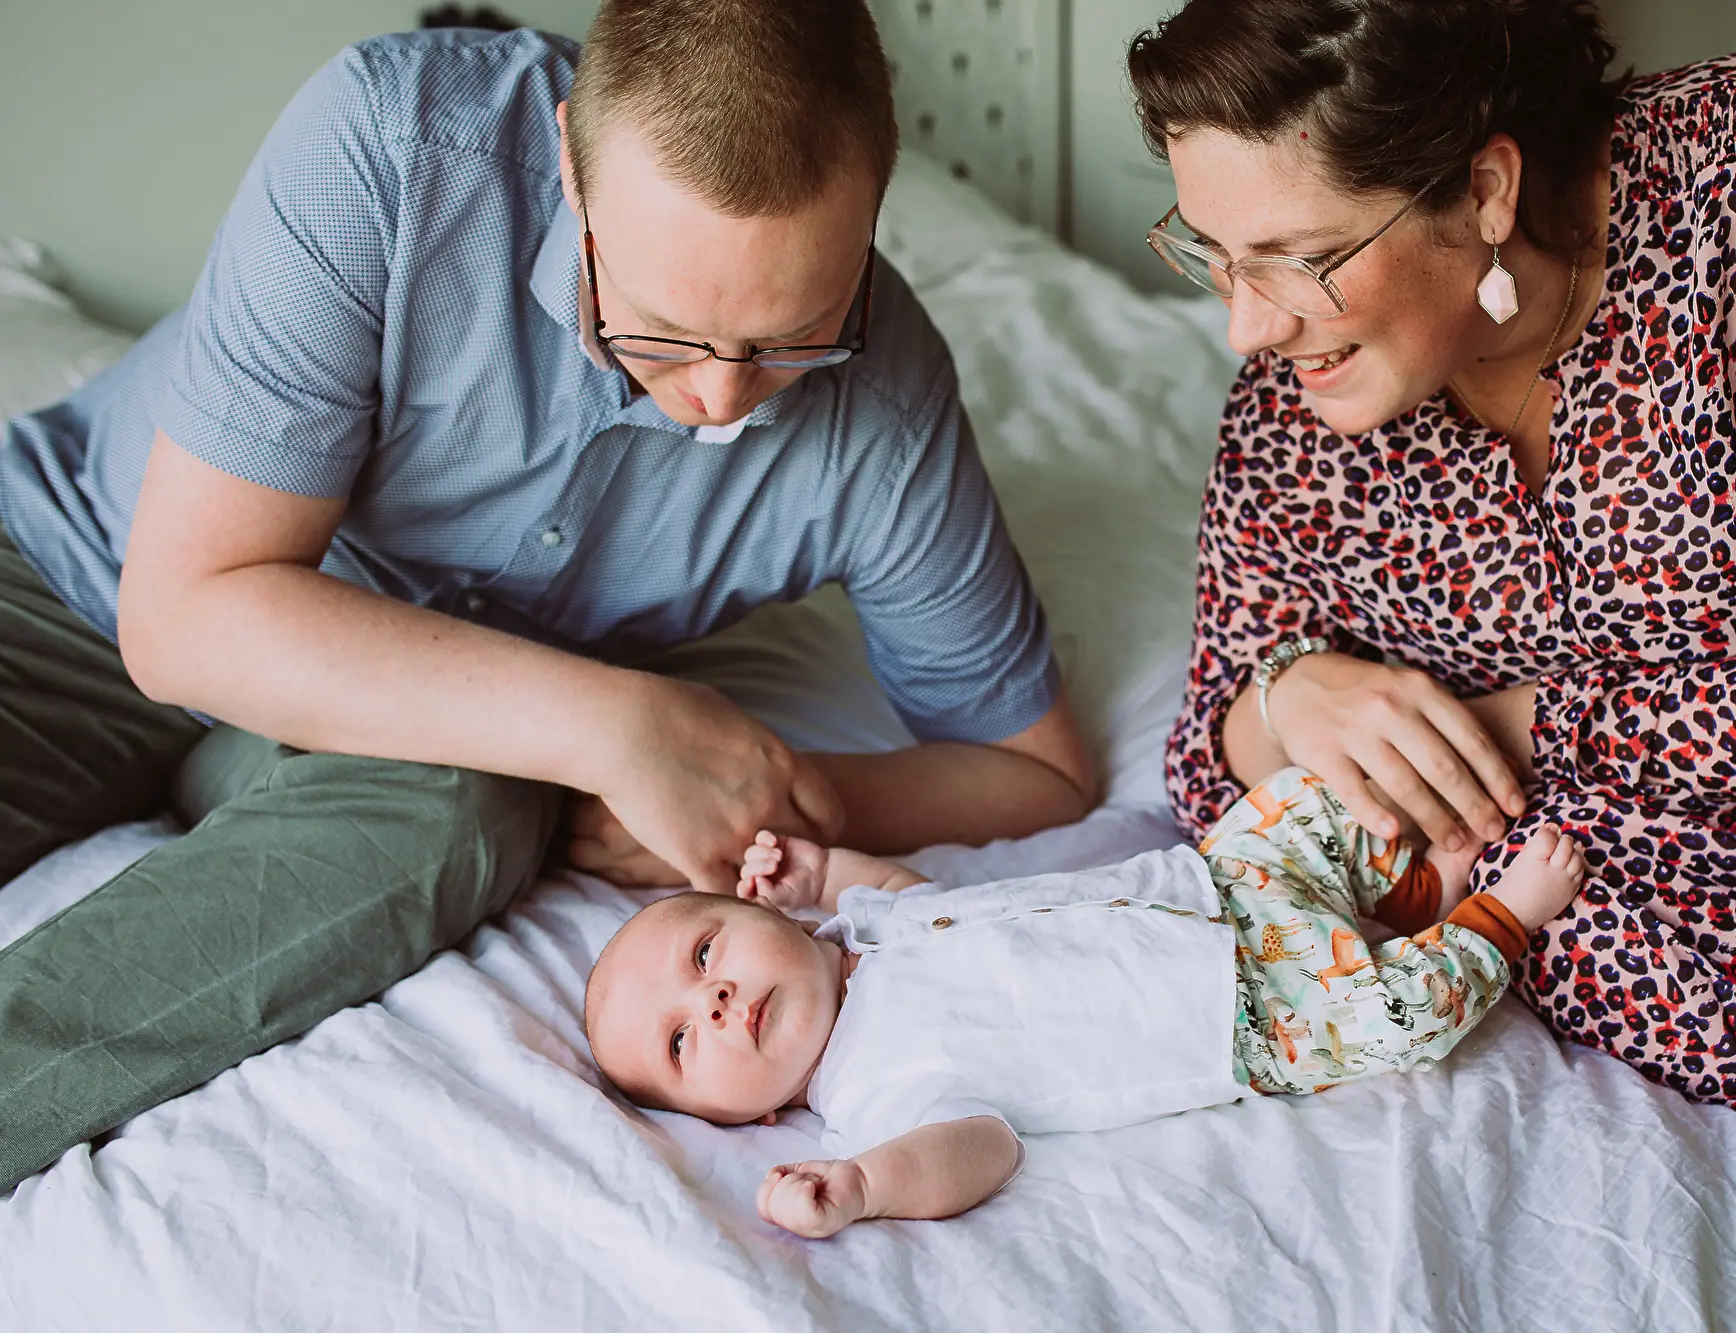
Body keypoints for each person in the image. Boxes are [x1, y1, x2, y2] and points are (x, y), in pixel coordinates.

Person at [0, 0, 1094, 1191]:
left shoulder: (885, 411)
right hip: (68, 577)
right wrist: (626, 724)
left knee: (475, 809)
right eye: (662, 334)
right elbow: (184, 619)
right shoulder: (392, 144)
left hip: (387, 740)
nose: (721, 402)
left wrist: (776, 798)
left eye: (793, 340)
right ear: (569, 166)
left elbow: (1034, 766)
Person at [1129, 0, 1736, 1226]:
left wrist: (1515, 724)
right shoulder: (1289, 414)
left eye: (1302, 259)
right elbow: (1209, 770)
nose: (1246, 322)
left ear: (1485, 190)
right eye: (1209, 250)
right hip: (1609, 906)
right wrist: (1291, 693)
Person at [583, 766, 1588, 1238]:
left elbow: (903, 892)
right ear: (752, 1117)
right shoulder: (873, 1092)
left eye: (704, 948)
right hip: (1242, 1017)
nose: (711, 999)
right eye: (680, 1040)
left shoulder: (864, 931)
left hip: (1206, 885)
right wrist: (864, 1185)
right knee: (1391, 1020)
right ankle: (1488, 923)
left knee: (1296, 801)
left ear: (772, 923)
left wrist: (820, 872)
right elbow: (975, 1148)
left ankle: (1407, 890)